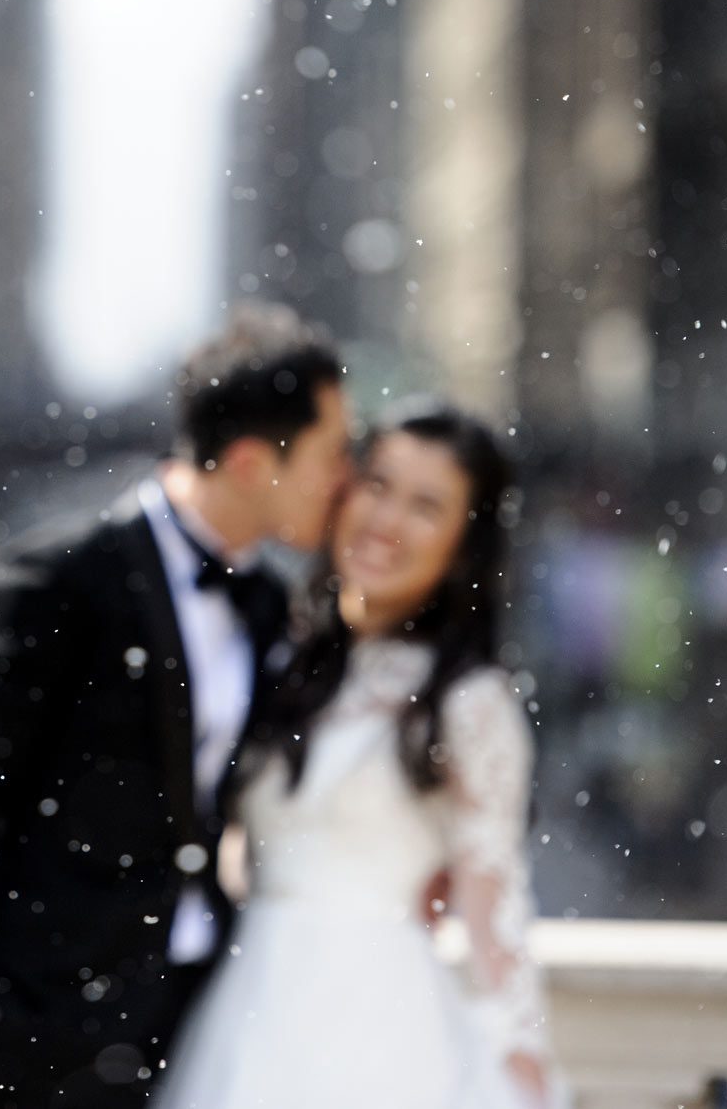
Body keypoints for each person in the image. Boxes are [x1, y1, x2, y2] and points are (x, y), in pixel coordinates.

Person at [0, 303, 355, 1109]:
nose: (344, 479)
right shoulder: (58, 581)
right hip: (54, 1014)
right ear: (253, 463)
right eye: (331, 454)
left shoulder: (267, 604)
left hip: (204, 1004)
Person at [158, 402, 563, 1108]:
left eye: (426, 506)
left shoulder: (470, 702)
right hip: (244, 1010)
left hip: (381, 1024)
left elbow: (494, 909)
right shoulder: (283, 658)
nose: (385, 521)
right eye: (376, 485)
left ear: (464, 544)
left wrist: (524, 1060)